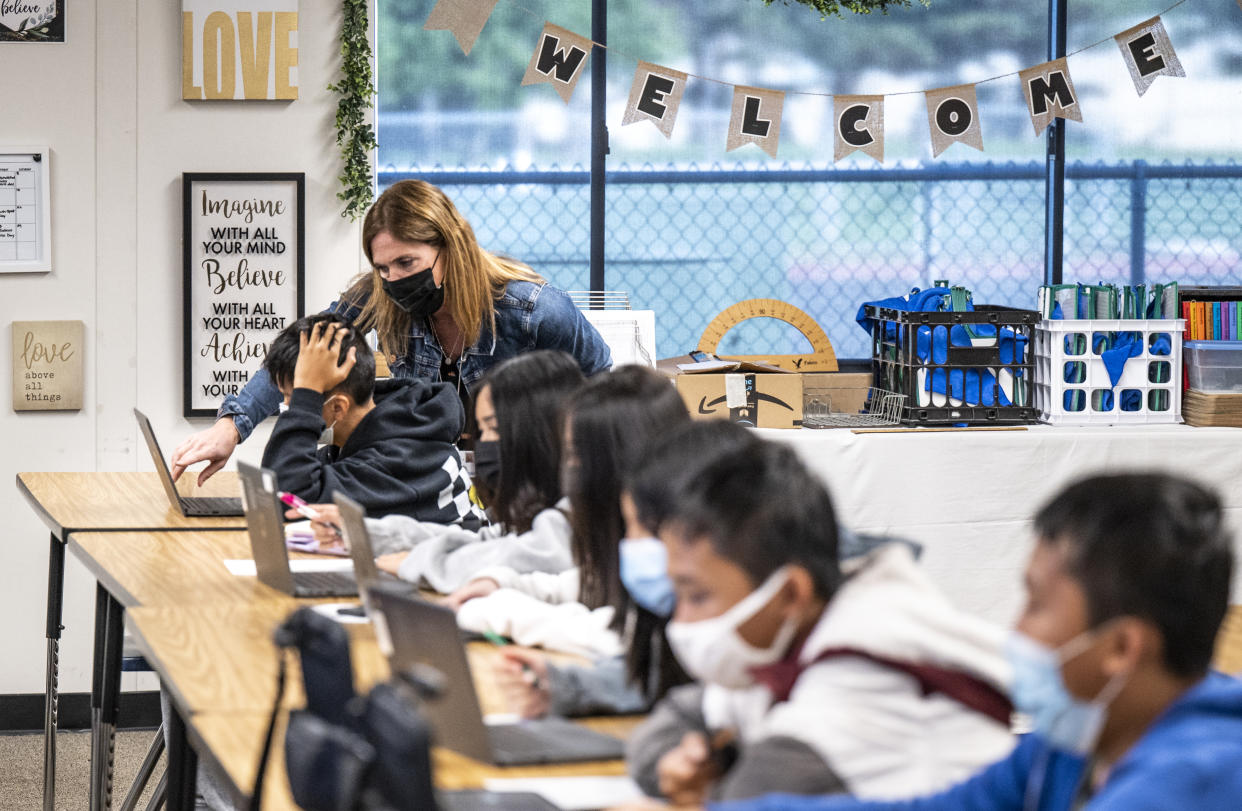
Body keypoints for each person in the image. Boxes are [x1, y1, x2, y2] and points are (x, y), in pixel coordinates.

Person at [679, 472, 1242, 811]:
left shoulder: (1191, 782)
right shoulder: (1073, 745)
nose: (1015, 629)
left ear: (1121, 649)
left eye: (1037, 606)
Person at [620, 421, 1015, 806]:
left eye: (698, 596)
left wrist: (705, 787)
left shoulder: (861, 675)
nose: (682, 622)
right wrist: (692, 762)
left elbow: (751, 796)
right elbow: (684, 715)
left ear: (791, 593)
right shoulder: (792, 634)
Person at [170, 179, 612, 485]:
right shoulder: (378, 296)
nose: (393, 279)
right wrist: (231, 426)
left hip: (520, 478)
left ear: (450, 249)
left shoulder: (534, 309)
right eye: (382, 267)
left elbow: (602, 383)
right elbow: (306, 350)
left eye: (407, 264)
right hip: (430, 478)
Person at [448, 365, 693, 719]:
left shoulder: (691, 537)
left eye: (577, 456)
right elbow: (590, 582)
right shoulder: (634, 526)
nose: (569, 469)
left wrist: (509, 613)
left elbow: (632, 643)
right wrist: (503, 584)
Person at [318, 350, 585, 579]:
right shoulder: (527, 512)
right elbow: (481, 543)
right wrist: (367, 532)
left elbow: (519, 557)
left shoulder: (581, 514)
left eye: (494, 429)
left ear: (544, 430)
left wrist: (418, 564)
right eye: (482, 431)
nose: (485, 444)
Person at [257, 313, 478, 524]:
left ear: (338, 407)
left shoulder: (400, 458)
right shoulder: (376, 433)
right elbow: (279, 485)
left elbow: (289, 499)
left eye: (295, 400)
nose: (290, 408)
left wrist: (307, 397)